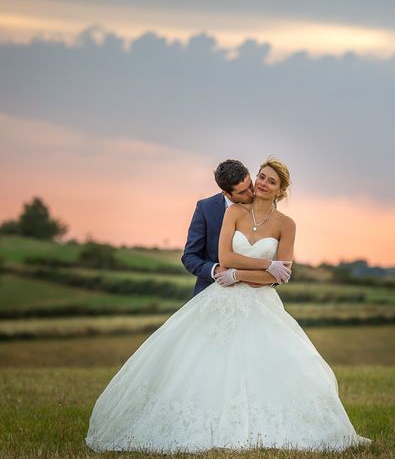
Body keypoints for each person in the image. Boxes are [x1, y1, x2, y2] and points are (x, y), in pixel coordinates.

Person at [85, 157, 371, 453]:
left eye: (265, 181)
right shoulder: (227, 211)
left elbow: (281, 274)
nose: (256, 187)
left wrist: (242, 274)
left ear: (280, 189)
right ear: (228, 193)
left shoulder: (286, 224)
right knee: (198, 364)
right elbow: (217, 257)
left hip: (260, 302)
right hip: (216, 297)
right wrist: (252, 267)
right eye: (257, 180)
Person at [181, 159, 290, 296]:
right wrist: (215, 270)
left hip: (257, 294)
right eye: (243, 192)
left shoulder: (273, 215)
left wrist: (240, 275)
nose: (251, 194)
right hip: (212, 291)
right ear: (226, 193)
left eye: (250, 185)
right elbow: (189, 257)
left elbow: (281, 271)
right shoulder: (205, 208)